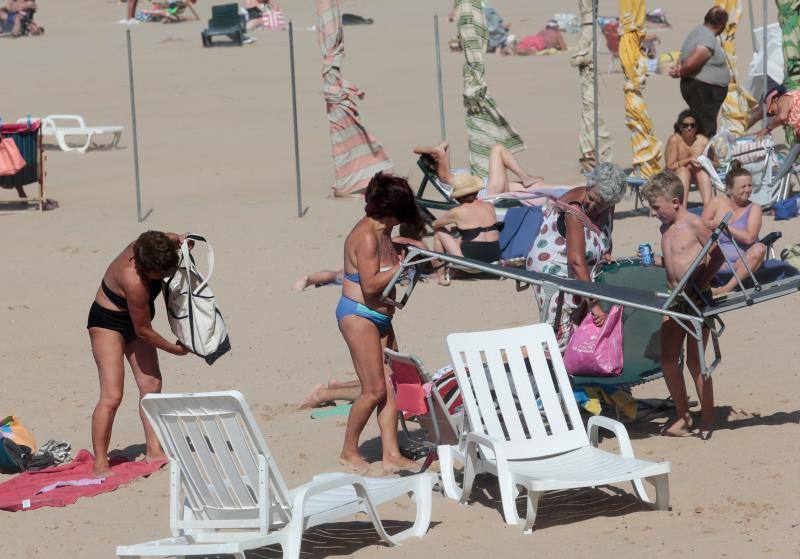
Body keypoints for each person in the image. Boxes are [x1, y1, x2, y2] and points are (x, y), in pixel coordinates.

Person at [336, 172, 422, 473]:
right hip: (359, 315)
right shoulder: (367, 236)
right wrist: (401, 267)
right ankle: (348, 450)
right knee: (373, 390)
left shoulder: (384, 230)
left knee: (391, 385)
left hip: (382, 317)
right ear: (390, 210)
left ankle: (391, 454)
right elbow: (370, 285)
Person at [88, 231, 190, 476]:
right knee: (112, 395)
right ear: (145, 267)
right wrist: (175, 349)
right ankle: (100, 463)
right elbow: (143, 330)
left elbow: (172, 238)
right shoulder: (133, 281)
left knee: (151, 385)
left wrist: (183, 242)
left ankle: (154, 450)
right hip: (108, 323)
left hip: (136, 322)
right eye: (160, 275)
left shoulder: (157, 244)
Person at [640, 171, 724, 439]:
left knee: (695, 363)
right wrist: (654, 261)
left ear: (675, 202)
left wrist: (700, 283)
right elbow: (675, 261)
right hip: (674, 297)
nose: (653, 213)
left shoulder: (695, 224)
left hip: (697, 297)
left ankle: (708, 418)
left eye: (656, 207)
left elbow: (717, 256)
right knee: (668, 360)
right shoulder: (665, 228)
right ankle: (684, 416)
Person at [526, 163, 627, 350]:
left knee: (578, 329)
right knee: (558, 332)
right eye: (592, 198)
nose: (593, 206)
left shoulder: (607, 204)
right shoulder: (574, 210)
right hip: (553, 267)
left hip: (579, 269)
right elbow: (576, 261)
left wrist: (605, 252)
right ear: (589, 186)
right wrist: (594, 304)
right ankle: (541, 365)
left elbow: (605, 234)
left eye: (601, 204)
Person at [292, 222, 429, 291]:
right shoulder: (418, 244)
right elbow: (433, 262)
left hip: (369, 264)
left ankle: (309, 279)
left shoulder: (394, 239)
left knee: (336, 274)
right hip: (387, 270)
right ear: (420, 232)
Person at [701, 160, 766, 295]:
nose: (747, 190)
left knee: (760, 249)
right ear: (729, 189)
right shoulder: (716, 202)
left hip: (741, 264)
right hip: (714, 261)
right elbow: (700, 231)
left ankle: (726, 288)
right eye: (743, 186)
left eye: (750, 185)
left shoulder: (754, 208)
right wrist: (718, 259)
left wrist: (725, 227)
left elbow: (750, 238)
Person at [414, 141, 566, 198]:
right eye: (436, 157)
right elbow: (433, 150)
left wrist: (434, 152)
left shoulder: (446, 171)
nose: (439, 155)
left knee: (538, 187)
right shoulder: (444, 176)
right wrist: (433, 151)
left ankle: (570, 190)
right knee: (497, 148)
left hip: (491, 186)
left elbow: (446, 144)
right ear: (433, 166)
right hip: (489, 192)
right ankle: (525, 177)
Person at [669, 7, 730, 137]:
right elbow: (693, 60)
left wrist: (679, 67)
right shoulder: (707, 38)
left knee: (698, 122)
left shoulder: (696, 32)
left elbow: (683, 56)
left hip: (698, 87)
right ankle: (701, 150)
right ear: (720, 25)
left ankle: (689, 142)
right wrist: (681, 72)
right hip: (703, 89)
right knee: (705, 127)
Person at [431, 174, 502, 285]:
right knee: (468, 233)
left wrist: (452, 226)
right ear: (476, 191)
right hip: (493, 257)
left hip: (471, 261)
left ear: (458, 196)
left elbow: (434, 224)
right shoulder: (489, 206)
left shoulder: (457, 211)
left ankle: (440, 275)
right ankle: (456, 271)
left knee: (439, 232)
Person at [665, 109, 714, 206]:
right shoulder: (675, 140)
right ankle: (682, 207)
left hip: (696, 173)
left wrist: (704, 162)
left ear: (697, 127)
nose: (689, 128)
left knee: (702, 172)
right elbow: (670, 166)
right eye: (685, 125)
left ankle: (708, 208)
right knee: (684, 171)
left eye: (693, 125)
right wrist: (689, 160)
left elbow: (716, 163)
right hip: (676, 174)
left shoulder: (704, 141)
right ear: (680, 127)